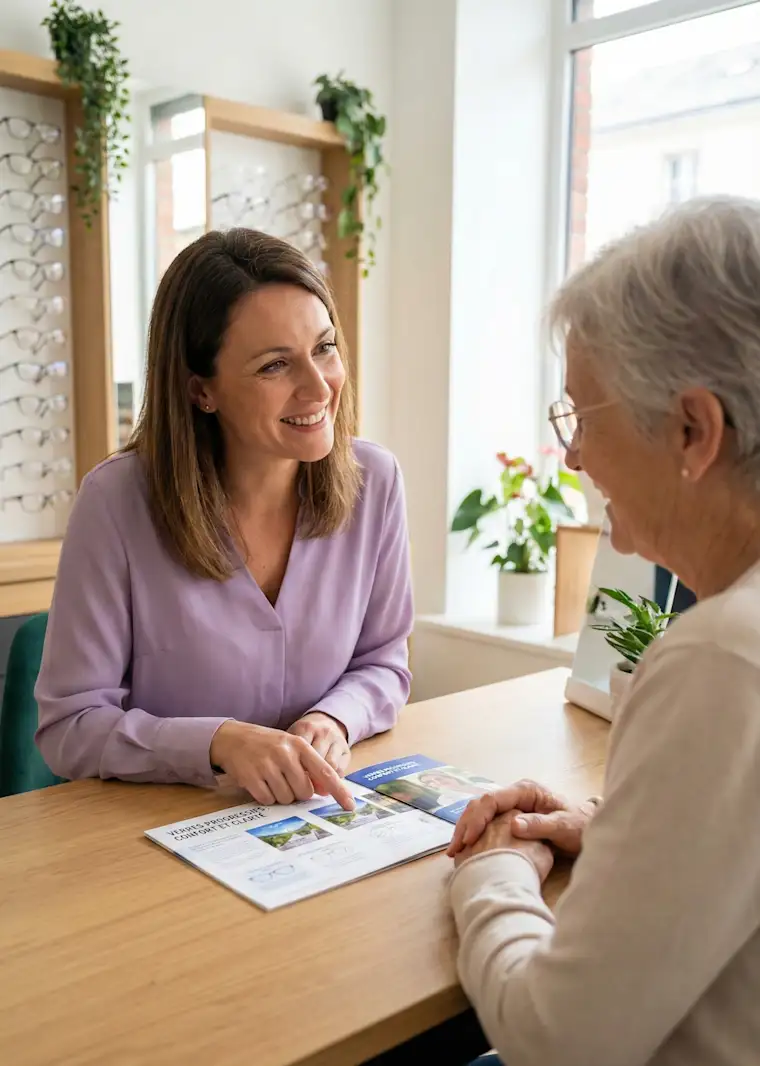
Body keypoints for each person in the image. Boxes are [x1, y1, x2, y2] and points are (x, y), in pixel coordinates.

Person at [447, 197, 760, 1065]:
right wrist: (625, 828)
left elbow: (557, 1040)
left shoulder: (723, 658)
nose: (572, 458)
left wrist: (490, 873)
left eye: (584, 417)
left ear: (693, 430)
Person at [35, 229, 413, 811]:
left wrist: (334, 719)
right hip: (146, 841)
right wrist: (216, 743)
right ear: (200, 390)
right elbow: (70, 728)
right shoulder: (115, 502)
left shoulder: (377, 480)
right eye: (274, 366)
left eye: (325, 347)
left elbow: (383, 662)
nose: (319, 387)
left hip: (309, 825)